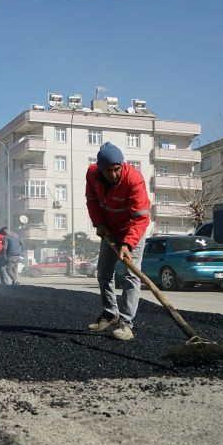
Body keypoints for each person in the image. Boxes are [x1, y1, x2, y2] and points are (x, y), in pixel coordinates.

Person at [85, 142, 151, 342]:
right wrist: (99, 223)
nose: (113, 175)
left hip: (133, 230)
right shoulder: (92, 173)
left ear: (122, 165)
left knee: (132, 275)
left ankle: (126, 323)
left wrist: (128, 243)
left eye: (116, 170)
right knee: (104, 273)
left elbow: (141, 217)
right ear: (100, 168)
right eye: (108, 171)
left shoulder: (134, 179)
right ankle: (109, 314)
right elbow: (92, 201)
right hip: (110, 231)